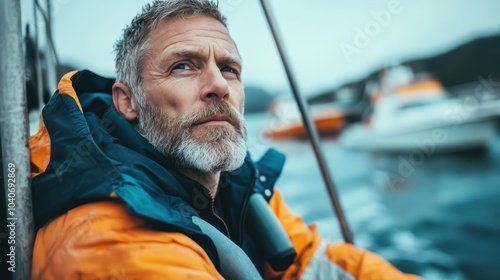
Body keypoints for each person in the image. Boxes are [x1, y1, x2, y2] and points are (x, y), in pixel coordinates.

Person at [29, 0, 423, 279]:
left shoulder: (235, 184)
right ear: (128, 101)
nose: (219, 85)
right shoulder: (111, 242)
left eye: (230, 68)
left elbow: (312, 263)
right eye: (184, 65)